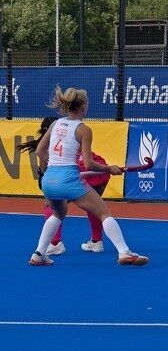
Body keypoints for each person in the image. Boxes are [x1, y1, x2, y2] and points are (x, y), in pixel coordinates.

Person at [29, 86, 148, 266]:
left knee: (57, 213)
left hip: (49, 180)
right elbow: (90, 163)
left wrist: (52, 168)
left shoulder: (55, 124)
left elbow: (39, 151)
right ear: (83, 107)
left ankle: (38, 254)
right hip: (68, 179)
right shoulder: (84, 129)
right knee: (103, 212)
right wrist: (110, 168)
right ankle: (124, 252)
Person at [18, 116, 110, 256]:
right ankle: (97, 242)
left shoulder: (48, 147)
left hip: (77, 174)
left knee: (50, 206)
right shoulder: (72, 133)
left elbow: (47, 175)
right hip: (97, 171)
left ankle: (55, 243)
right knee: (94, 207)